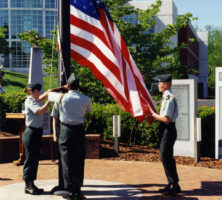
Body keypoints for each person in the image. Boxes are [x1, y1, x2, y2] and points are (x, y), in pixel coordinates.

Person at [50, 73, 92, 200]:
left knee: (66, 160)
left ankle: (69, 190)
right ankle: (77, 188)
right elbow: (88, 110)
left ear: (68, 86)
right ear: (78, 86)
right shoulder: (85, 98)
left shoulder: (60, 97)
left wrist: (61, 88)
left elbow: (49, 92)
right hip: (79, 130)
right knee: (79, 159)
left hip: (65, 130)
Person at [150, 74, 181, 196]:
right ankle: (172, 183)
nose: (158, 85)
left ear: (166, 84)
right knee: (166, 156)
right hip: (166, 130)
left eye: (160, 83)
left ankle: (174, 185)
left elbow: (166, 118)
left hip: (168, 129)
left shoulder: (169, 98)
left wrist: (152, 114)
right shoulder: (165, 97)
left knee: (165, 156)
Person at [22, 83, 50, 195]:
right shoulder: (30, 101)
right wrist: (50, 101)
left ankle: (31, 184)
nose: (40, 92)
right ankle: (28, 185)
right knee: (30, 160)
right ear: (32, 91)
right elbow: (39, 111)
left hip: (36, 132)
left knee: (34, 159)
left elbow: (42, 97)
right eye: (38, 90)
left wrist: (49, 93)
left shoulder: (35, 99)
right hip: (31, 132)